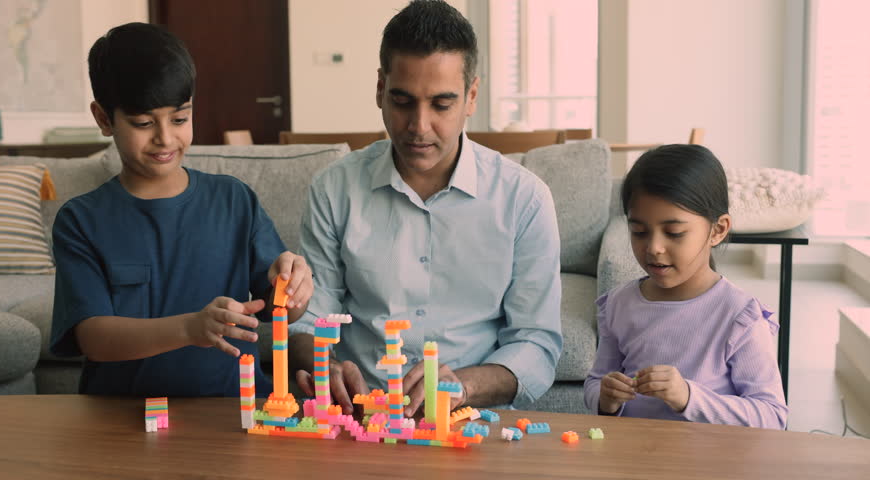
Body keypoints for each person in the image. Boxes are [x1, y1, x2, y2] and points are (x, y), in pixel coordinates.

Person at [288, 0, 563, 416]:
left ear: (471, 96)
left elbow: (537, 347)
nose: (418, 126)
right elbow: (309, 321)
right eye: (402, 101)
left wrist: (463, 385)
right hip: (359, 419)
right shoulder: (334, 190)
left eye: (441, 104)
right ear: (380, 89)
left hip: (467, 423)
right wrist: (325, 366)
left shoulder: (524, 199)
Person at [49, 23, 313, 397]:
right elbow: (93, 336)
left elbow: (278, 309)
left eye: (179, 118)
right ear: (104, 118)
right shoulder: (81, 220)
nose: (165, 138)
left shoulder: (234, 201)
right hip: (119, 419)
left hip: (231, 411)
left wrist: (294, 287)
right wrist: (190, 328)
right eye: (143, 123)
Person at [583, 144, 788, 429]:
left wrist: (689, 397)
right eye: (639, 232)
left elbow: (772, 416)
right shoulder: (619, 304)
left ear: (717, 230)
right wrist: (605, 397)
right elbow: (595, 382)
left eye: (674, 233)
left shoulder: (739, 316)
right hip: (632, 459)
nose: (653, 248)